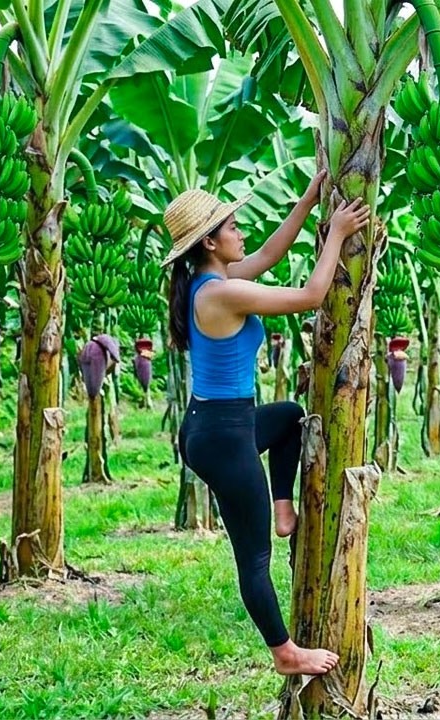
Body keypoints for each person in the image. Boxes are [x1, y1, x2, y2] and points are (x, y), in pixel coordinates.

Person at [161, 171, 370, 676]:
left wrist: (309, 200)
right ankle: (285, 653)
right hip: (222, 437)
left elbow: (271, 254)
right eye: (233, 227)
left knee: (289, 419)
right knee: (254, 560)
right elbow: (311, 296)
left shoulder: (215, 280)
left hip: (217, 425)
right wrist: (337, 234)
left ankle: (282, 506)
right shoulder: (220, 294)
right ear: (210, 241)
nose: (242, 233)